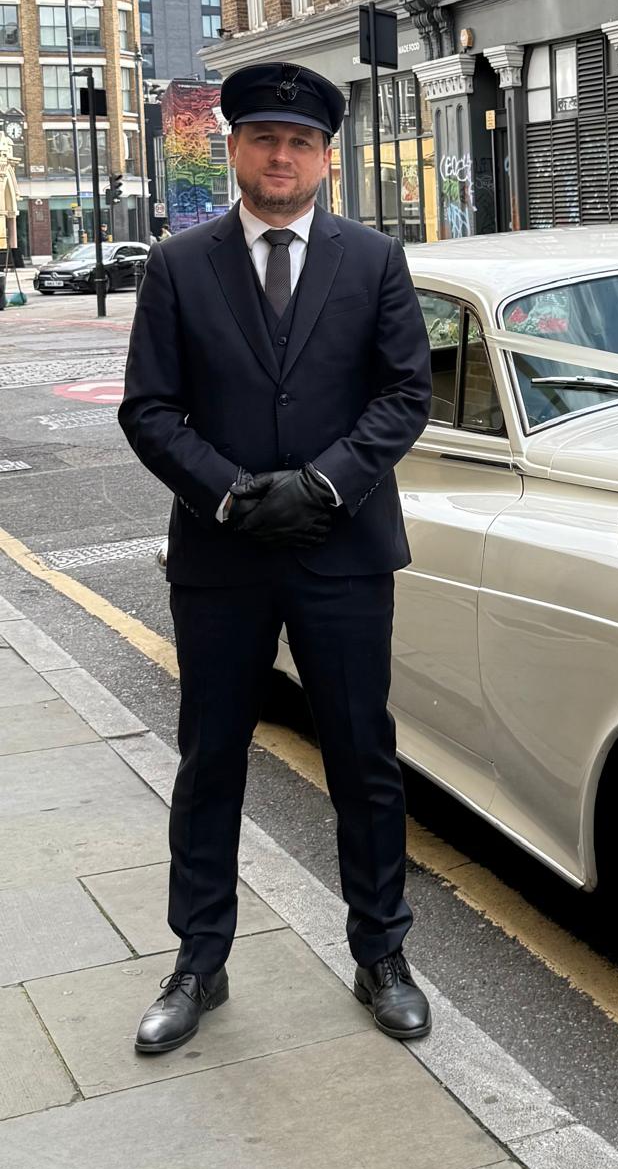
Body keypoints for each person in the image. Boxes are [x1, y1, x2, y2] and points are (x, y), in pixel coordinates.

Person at [119, 61, 433, 1055]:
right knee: (211, 758)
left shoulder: (373, 259)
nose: (281, 155)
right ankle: (197, 961)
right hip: (223, 557)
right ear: (235, 148)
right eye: (263, 138)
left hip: (342, 554)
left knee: (363, 760)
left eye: (299, 142)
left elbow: (403, 393)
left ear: (326, 158)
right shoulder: (178, 264)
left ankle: (381, 950)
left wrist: (325, 483)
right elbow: (150, 408)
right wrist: (229, 491)